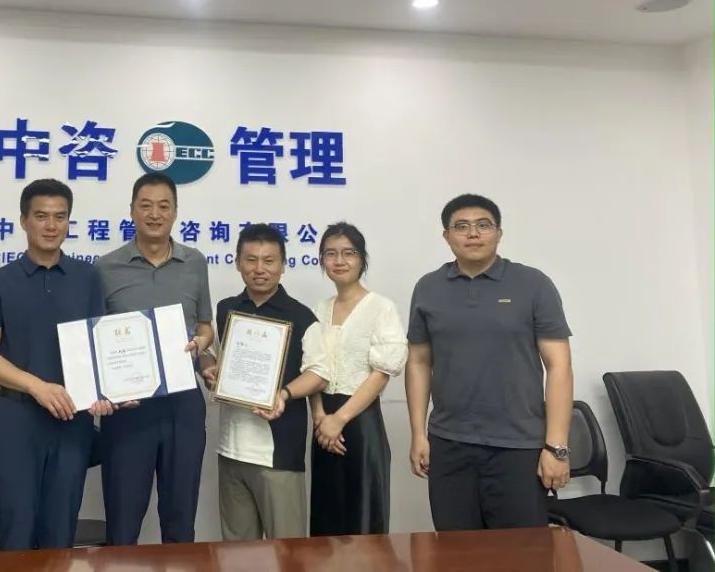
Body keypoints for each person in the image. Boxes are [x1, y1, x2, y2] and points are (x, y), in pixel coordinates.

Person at [405, 194, 573, 530]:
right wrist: (418, 434)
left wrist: (557, 447)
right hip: (449, 444)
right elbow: (419, 362)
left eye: (483, 225)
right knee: (456, 549)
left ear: (499, 232)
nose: (473, 233)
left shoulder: (533, 284)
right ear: (446, 236)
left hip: (518, 446)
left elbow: (559, 366)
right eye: (461, 226)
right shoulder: (428, 288)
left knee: (521, 551)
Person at [0, 179, 113, 551]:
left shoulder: (88, 278)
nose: (51, 225)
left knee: (59, 534)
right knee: (16, 532)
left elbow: (98, 345)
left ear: (68, 222)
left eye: (60, 217)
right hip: (16, 421)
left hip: (71, 423)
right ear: (24, 221)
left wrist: (108, 391)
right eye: (41, 216)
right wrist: (36, 386)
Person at [96, 172, 213, 545]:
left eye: (164, 206)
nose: (154, 214)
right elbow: (95, 338)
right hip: (128, 408)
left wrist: (202, 343)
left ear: (176, 212)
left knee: (180, 518)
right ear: (131, 210)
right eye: (145, 205)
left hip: (183, 403)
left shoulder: (195, 262)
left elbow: (206, 326)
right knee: (123, 520)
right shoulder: (104, 267)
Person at [200, 223, 321, 541]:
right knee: (238, 552)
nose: (259, 269)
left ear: (283, 264)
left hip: (277, 454)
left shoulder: (302, 316)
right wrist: (209, 369)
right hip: (231, 450)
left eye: (269, 261)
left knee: (288, 552)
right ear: (237, 263)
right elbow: (211, 354)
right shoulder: (226, 309)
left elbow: (318, 373)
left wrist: (284, 394)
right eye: (251, 260)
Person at [302, 222, 407, 536]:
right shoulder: (319, 310)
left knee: (363, 517)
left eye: (348, 253)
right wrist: (320, 417)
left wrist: (339, 419)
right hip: (323, 425)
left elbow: (381, 373)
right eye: (330, 254)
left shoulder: (381, 307)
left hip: (360, 421)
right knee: (326, 516)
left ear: (362, 259)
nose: (339, 261)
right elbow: (312, 369)